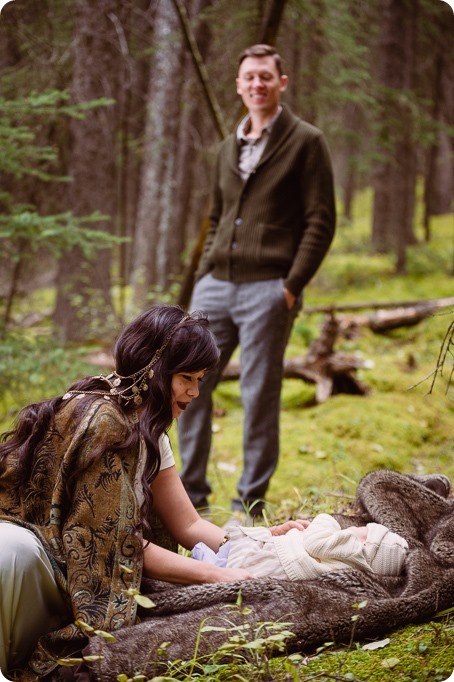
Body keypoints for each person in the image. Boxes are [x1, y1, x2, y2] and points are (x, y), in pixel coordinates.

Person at [0, 305, 254, 679]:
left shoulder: (148, 431)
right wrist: (217, 578)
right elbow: (117, 544)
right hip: (28, 565)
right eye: (186, 377)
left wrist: (253, 542)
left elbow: (189, 525)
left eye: (200, 379)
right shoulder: (107, 424)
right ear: (154, 370)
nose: (195, 392)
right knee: (12, 550)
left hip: (64, 571)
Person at [178, 44, 336, 519]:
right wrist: (204, 272)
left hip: (269, 287)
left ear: (281, 83)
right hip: (215, 286)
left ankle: (249, 504)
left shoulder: (306, 141)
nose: (257, 84)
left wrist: (290, 287)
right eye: (249, 77)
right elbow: (216, 214)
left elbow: (321, 221)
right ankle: (189, 496)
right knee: (188, 386)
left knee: (258, 392)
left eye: (266, 76)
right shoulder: (228, 147)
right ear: (239, 84)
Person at [192, 513, 409, 579]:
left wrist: (326, 519)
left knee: (240, 547)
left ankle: (209, 563)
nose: (351, 529)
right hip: (270, 569)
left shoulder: (353, 550)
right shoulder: (354, 566)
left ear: (366, 543)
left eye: (360, 530)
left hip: (271, 558)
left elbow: (315, 542)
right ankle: (212, 562)